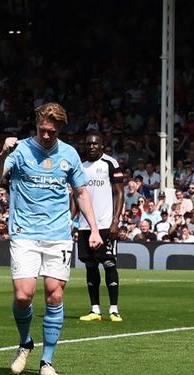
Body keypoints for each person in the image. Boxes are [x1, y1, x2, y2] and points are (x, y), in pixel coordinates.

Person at [0, 102, 103, 375]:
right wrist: (3, 154)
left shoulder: (70, 155)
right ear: (36, 125)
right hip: (24, 233)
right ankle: (25, 342)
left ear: (60, 128)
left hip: (58, 236)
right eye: (42, 129)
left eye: (51, 131)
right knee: (23, 295)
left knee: (54, 294)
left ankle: (46, 361)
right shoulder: (20, 150)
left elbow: (81, 193)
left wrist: (95, 229)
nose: (46, 135)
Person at [75, 131, 125, 323]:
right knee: (90, 265)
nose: (92, 147)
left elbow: (119, 193)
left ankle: (114, 309)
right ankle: (95, 309)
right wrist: (72, 221)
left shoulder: (110, 164)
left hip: (105, 223)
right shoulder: (80, 166)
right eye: (89, 144)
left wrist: (115, 222)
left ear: (102, 146)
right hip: (85, 225)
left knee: (109, 263)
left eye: (95, 144)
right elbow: (76, 195)